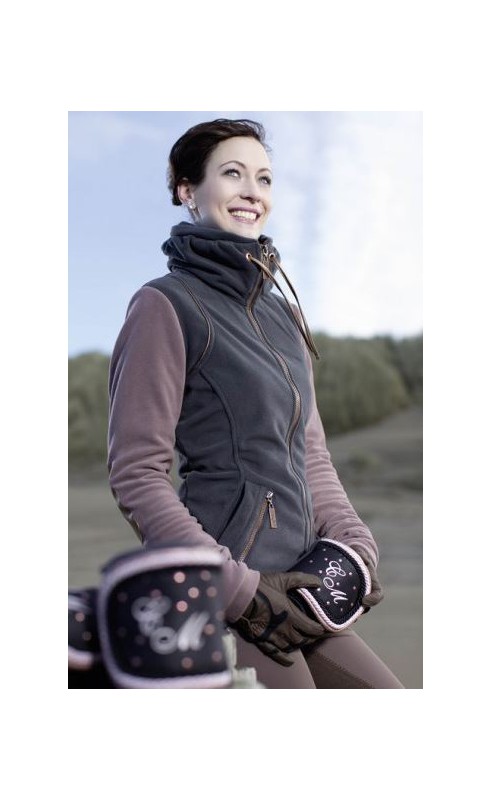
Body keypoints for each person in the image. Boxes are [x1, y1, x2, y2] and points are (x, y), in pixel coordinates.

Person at [107, 118, 404, 689]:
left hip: (305, 589)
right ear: (187, 190)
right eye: (232, 174)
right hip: (233, 595)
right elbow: (137, 474)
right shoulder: (164, 305)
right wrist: (238, 591)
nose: (252, 191)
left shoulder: (284, 316)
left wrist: (354, 542)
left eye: (264, 178)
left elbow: (311, 454)